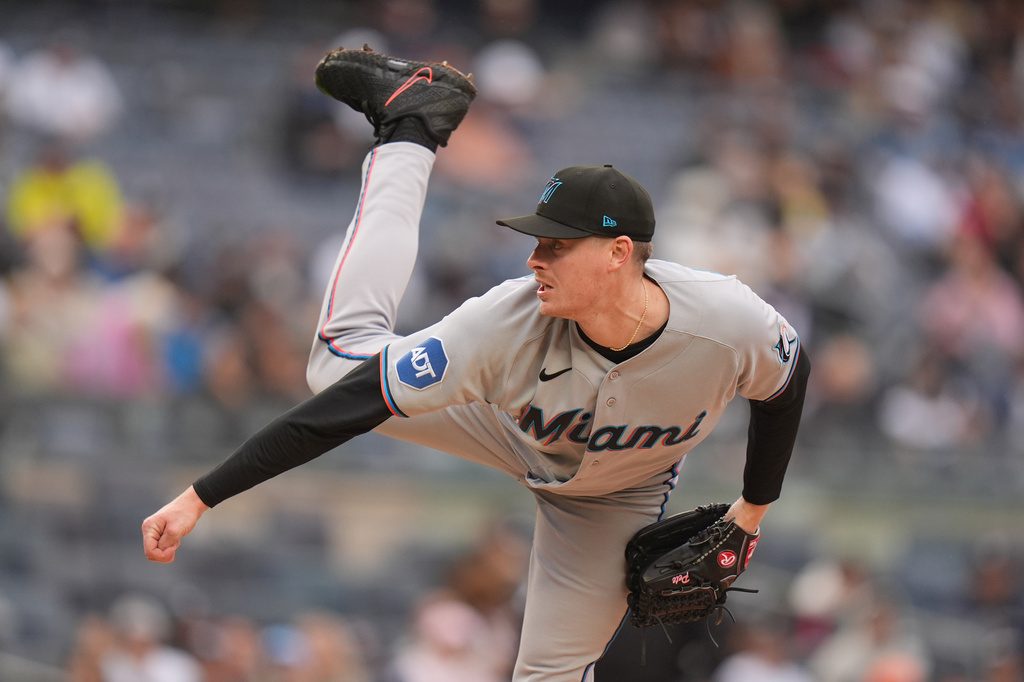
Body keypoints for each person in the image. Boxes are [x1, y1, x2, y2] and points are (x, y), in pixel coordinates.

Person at [142, 45, 811, 682]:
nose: (534, 259)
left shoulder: (726, 321)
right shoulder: (503, 323)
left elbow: (787, 384)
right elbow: (344, 408)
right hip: (501, 423)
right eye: (537, 241)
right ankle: (410, 127)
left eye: (556, 246)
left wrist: (751, 512)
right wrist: (202, 496)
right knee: (336, 371)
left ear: (617, 253)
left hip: (614, 497)